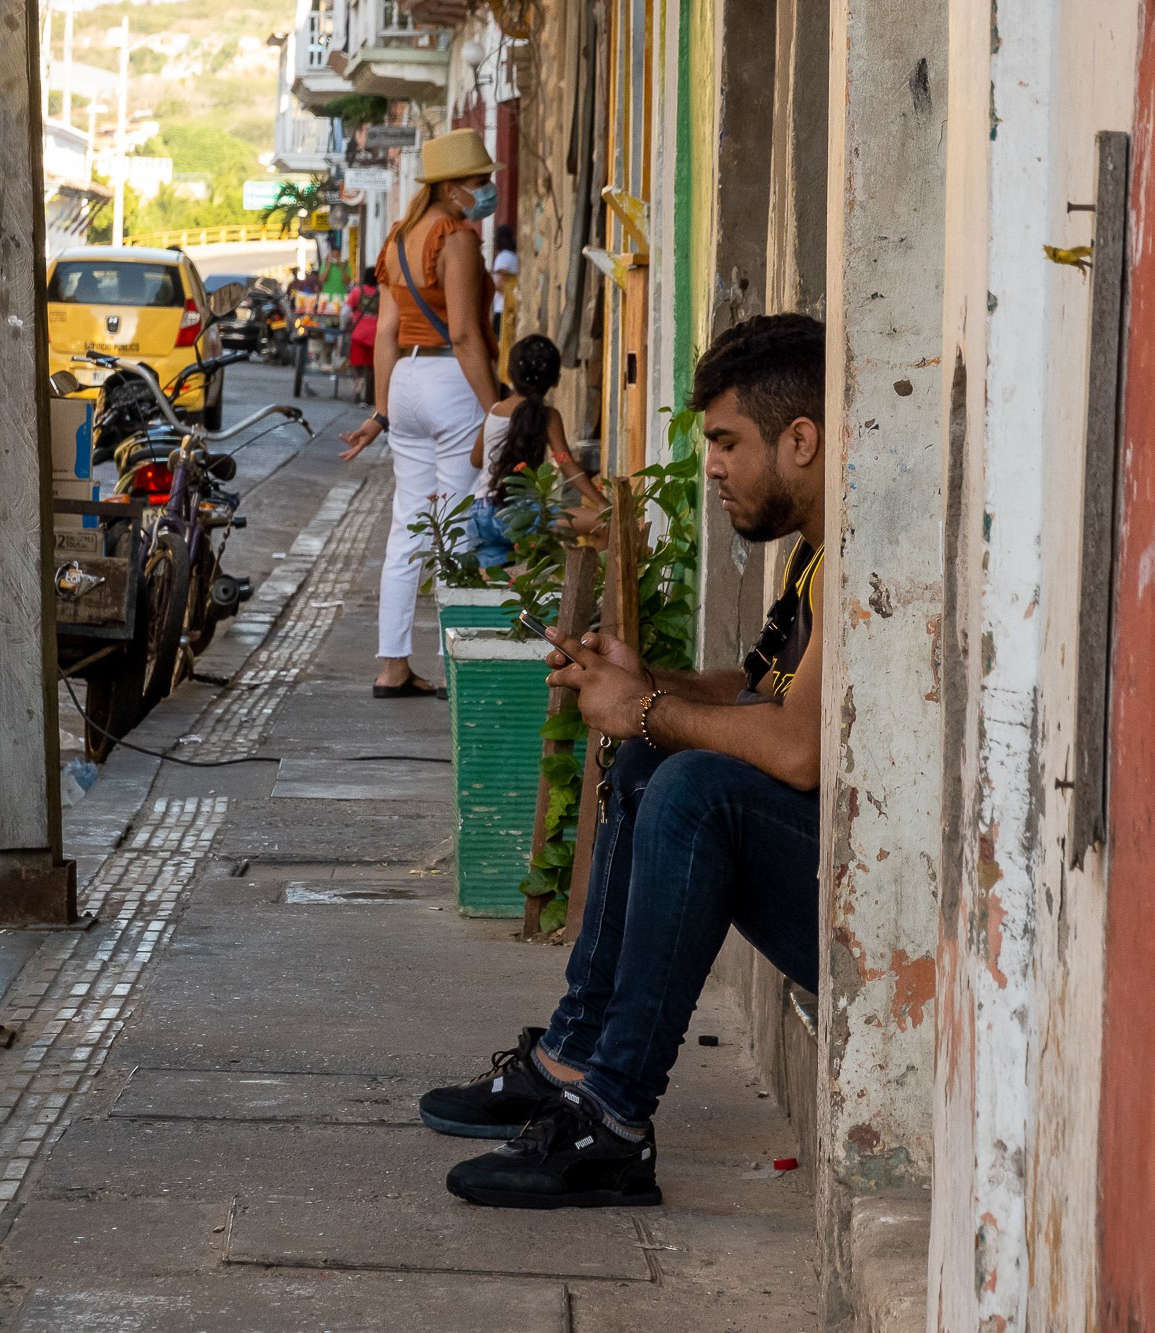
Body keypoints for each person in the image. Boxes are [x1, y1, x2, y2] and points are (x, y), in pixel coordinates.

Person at [420, 314, 828, 1209]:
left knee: (685, 786)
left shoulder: (853, 563)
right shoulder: (812, 557)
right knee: (651, 765)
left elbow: (798, 752)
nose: (712, 464)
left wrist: (646, 709)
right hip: (812, 865)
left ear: (800, 439)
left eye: (726, 442)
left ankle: (611, 1122)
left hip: (857, 907)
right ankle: (572, 1056)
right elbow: (762, 699)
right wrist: (653, 683)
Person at [338, 128, 504, 699]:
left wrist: (382, 413)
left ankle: (392, 665)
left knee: (409, 525)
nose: (486, 191)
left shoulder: (399, 238)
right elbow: (462, 332)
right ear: (455, 187)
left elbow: (385, 333)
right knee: (456, 521)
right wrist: (497, 408)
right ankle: (456, 665)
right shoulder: (454, 237)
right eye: (480, 182)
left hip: (405, 381)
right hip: (449, 381)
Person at [467, 334, 606, 570]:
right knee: (605, 526)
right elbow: (566, 464)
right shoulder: (548, 416)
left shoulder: (494, 411)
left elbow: (475, 459)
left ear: (509, 374)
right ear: (555, 380)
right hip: (522, 515)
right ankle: (593, 592)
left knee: (493, 592)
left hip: (482, 514)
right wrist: (603, 505)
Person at [346, 266, 382, 406]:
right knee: (372, 367)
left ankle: (358, 384)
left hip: (358, 334)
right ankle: (368, 398)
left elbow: (345, 312)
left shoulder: (357, 292)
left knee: (356, 364)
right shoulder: (380, 295)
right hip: (375, 335)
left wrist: (345, 325)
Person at [490, 224, 520, 342]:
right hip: (509, 309)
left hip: (502, 309)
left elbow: (501, 284)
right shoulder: (514, 257)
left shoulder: (503, 257)